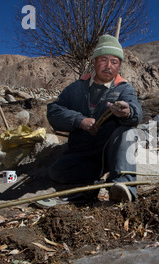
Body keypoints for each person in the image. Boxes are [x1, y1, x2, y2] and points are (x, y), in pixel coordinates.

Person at [47, 34, 143, 203]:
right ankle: (94, 183)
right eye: (103, 60)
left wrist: (128, 112)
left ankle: (124, 186)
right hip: (83, 154)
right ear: (94, 62)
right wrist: (79, 121)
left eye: (114, 62)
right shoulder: (76, 88)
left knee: (128, 131)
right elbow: (54, 111)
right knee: (56, 172)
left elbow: (136, 111)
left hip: (109, 154)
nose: (109, 66)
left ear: (119, 65)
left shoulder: (124, 88)